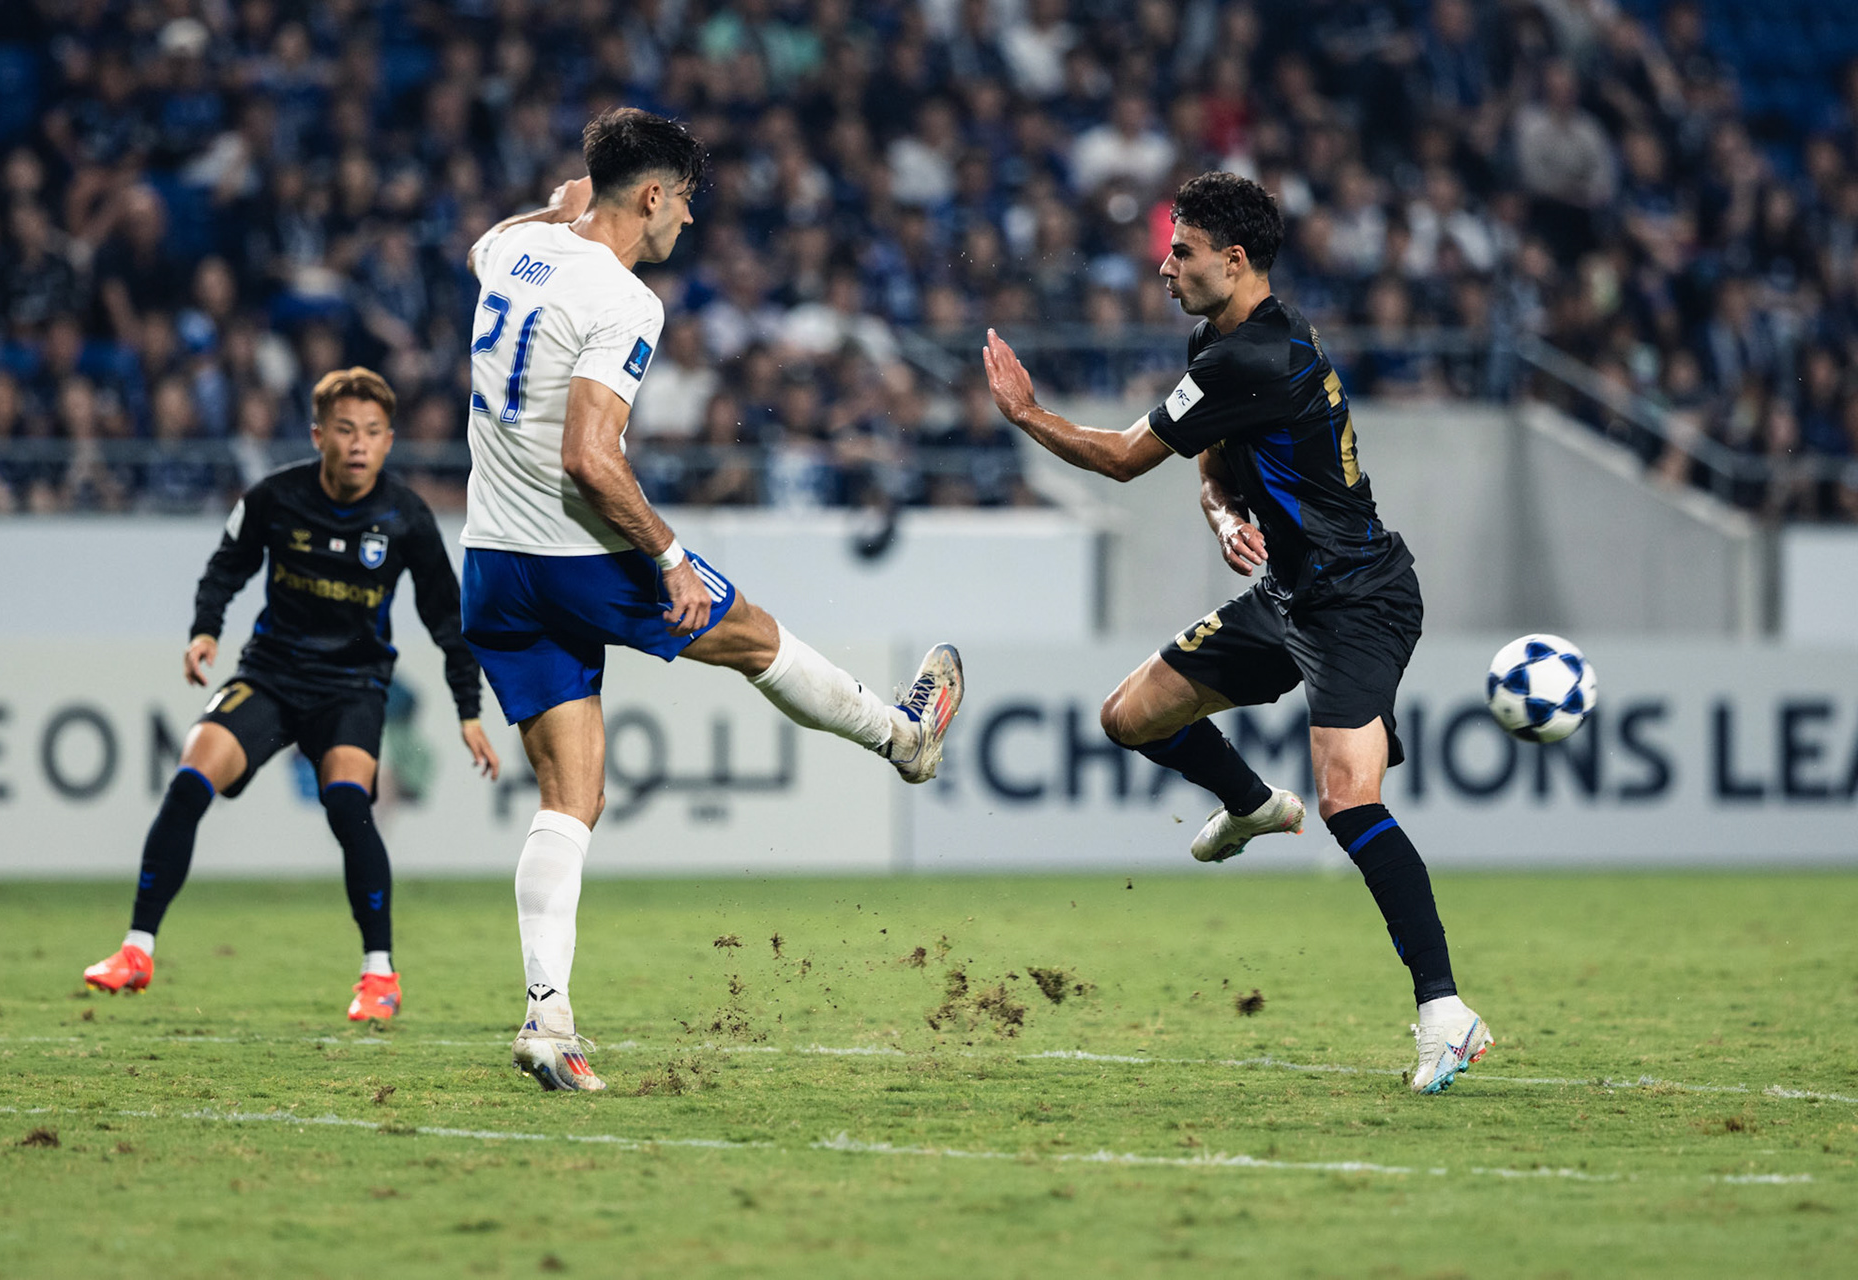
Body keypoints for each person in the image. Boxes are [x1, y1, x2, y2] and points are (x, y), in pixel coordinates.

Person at [457, 108, 964, 1094]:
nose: (686, 222)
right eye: (683, 202)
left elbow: (524, 227)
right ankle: (900, 735)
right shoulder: (625, 299)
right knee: (754, 636)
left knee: (572, 798)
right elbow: (589, 456)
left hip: (492, 556)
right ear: (652, 196)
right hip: (580, 551)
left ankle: (546, 1019)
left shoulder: (511, 248)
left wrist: (564, 206)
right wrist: (673, 553)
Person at [981, 172, 1492, 1096]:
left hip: (1358, 598)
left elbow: (1126, 458)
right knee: (1129, 716)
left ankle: (1444, 1014)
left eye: (1180, 251)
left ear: (1235, 259)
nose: (1164, 266)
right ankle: (1253, 804)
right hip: (1289, 595)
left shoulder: (1252, 358)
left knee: (1348, 800)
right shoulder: (1221, 343)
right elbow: (1211, 459)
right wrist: (1222, 519)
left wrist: (1025, 416)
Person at [81, 367, 499, 1021]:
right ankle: (136, 950)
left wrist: (468, 711)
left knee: (346, 804)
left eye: (371, 432)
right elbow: (226, 567)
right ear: (318, 435)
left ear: (388, 442)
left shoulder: (406, 517)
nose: (358, 444)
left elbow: (448, 621)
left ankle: (379, 975)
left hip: (353, 687)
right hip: (270, 676)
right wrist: (203, 633)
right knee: (190, 779)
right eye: (344, 430)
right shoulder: (276, 497)